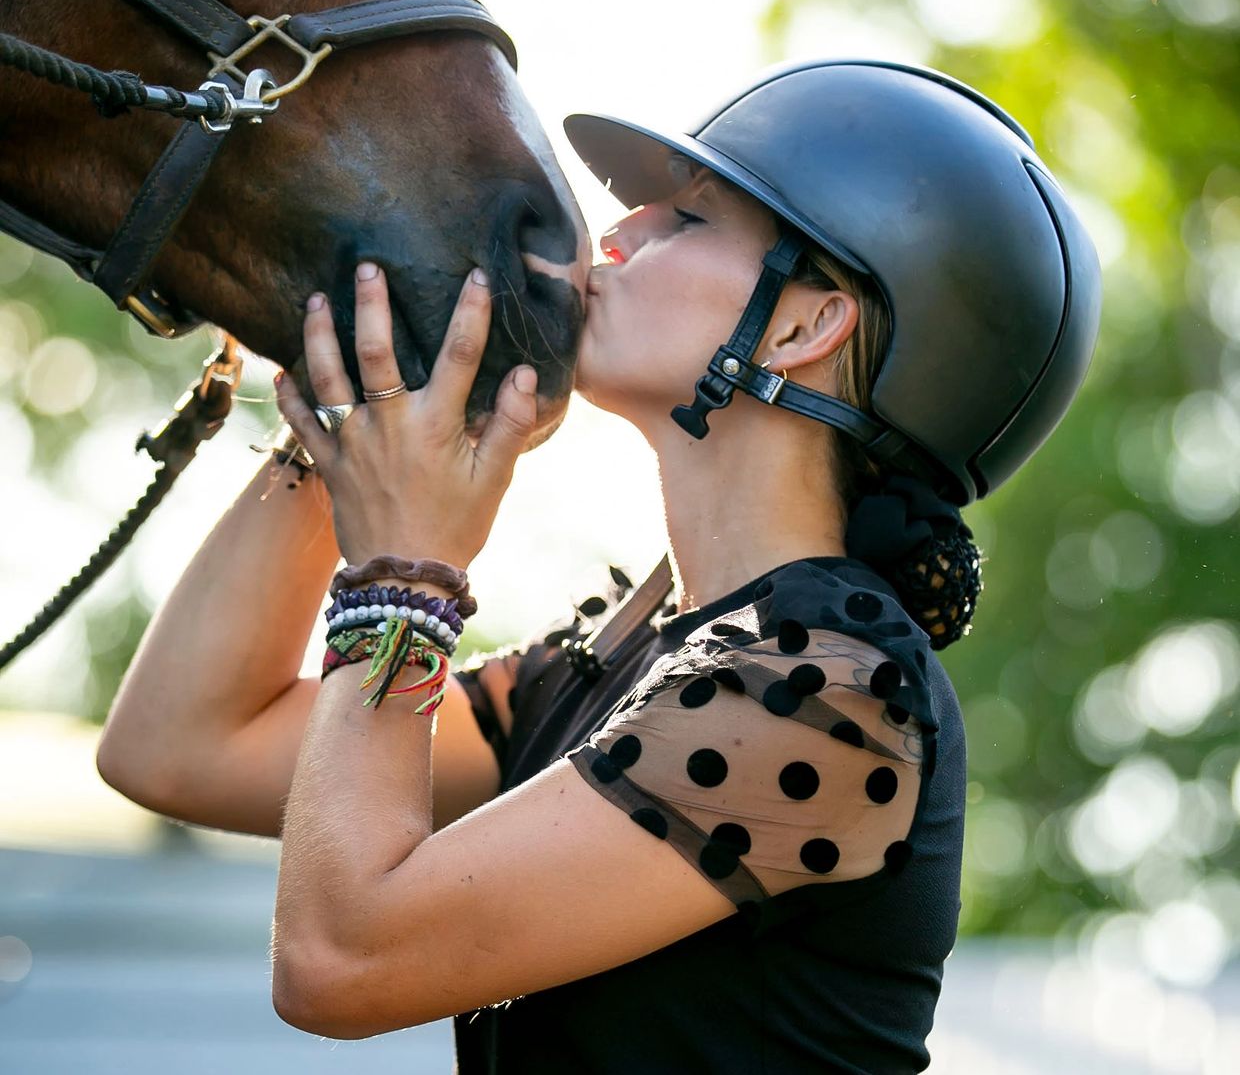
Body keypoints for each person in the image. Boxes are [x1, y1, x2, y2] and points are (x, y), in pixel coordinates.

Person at [96, 58, 1101, 1073]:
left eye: (685, 221)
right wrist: (351, 419)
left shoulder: (826, 693)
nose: (613, 237)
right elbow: (179, 746)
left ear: (806, 324)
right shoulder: (641, 650)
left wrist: (408, 570)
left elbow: (339, 962)